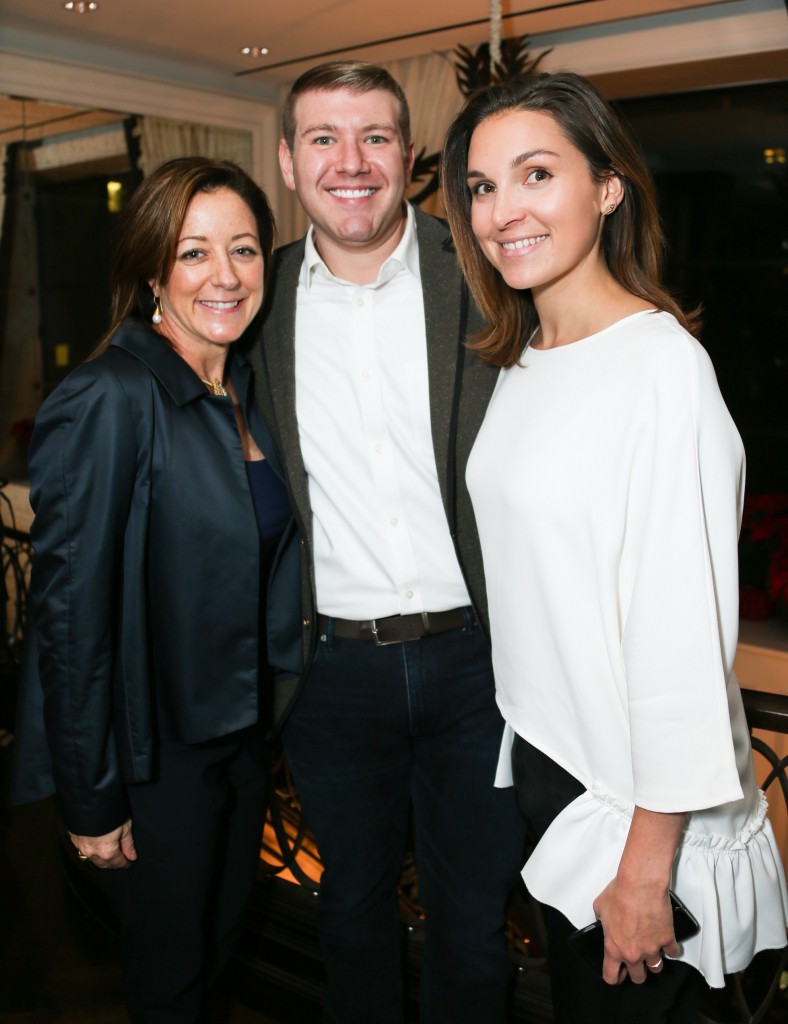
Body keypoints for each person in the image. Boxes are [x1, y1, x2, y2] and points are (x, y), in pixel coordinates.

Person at [440, 71, 788, 1023]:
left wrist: (646, 867)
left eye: (535, 173)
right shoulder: (522, 359)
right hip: (555, 771)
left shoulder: (662, 369)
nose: (502, 209)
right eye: (480, 187)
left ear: (608, 187)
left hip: (637, 807)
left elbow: (681, 638)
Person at [248, 61, 526, 1024]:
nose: (351, 161)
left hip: (479, 667)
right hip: (331, 675)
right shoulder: (251, 299)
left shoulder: (488, 271)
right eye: (324, 138)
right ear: (289, 161)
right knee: (352, 919)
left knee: (472, 928)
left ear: (408, 157)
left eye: (375, 137)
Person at [12, 156, 301, 1023]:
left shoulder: (241, 389)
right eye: (194, 252)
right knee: (169, 982)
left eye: (245, 250)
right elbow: (67, 617)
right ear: (150, 272)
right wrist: (92, 797)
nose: (225, 275)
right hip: (153, 759)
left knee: (211, 957)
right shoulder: (109, 395)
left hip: (240, 745)